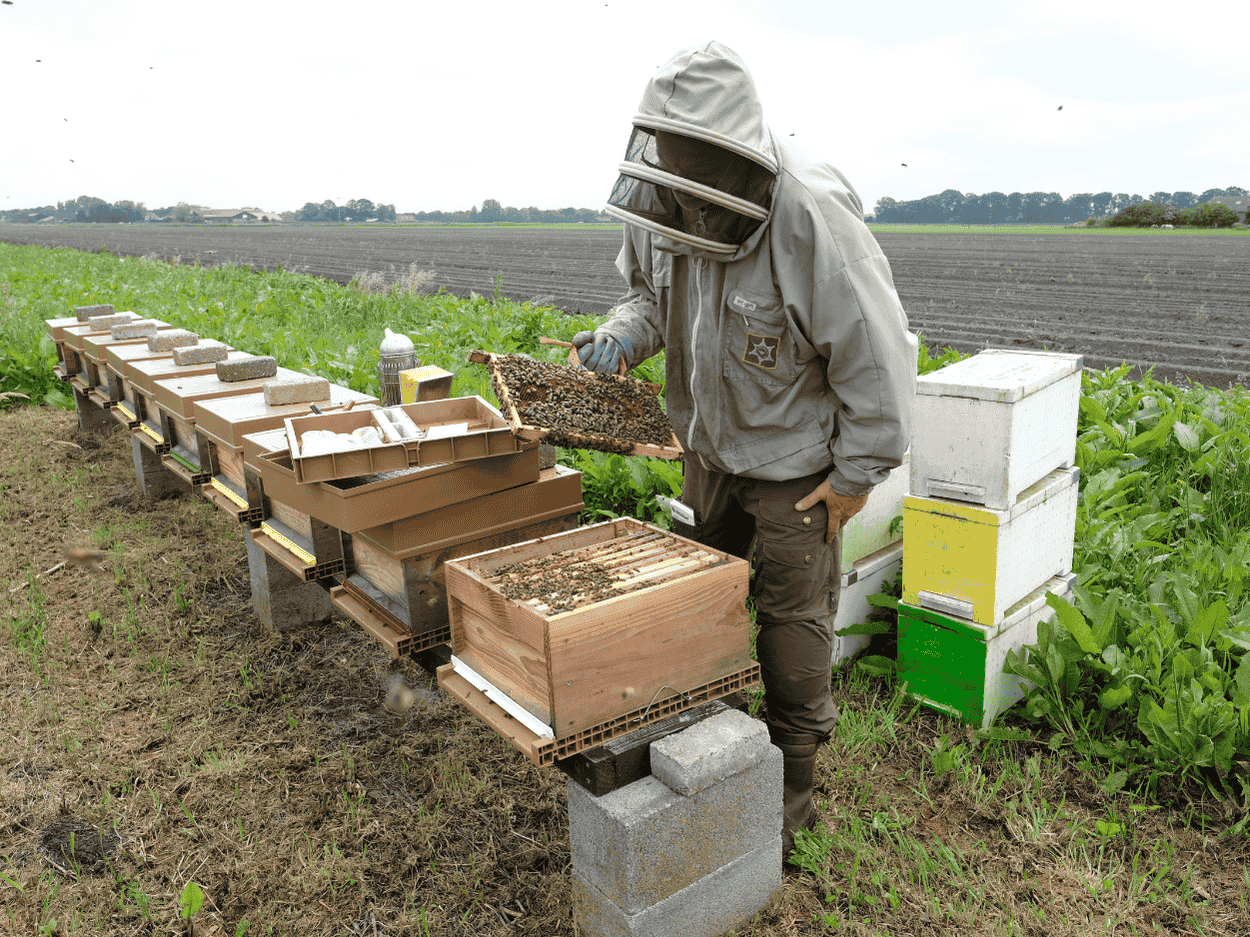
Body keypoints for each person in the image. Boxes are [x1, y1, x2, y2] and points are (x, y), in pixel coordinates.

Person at [572, 40, 915, 857]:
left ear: (734, 156)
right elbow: (649, 296)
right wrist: (622, 336)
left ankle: (790, 792)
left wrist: (855, 477)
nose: (690, 207)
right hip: (706, 447)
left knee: (792, 621)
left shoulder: (811, 220)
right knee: (699, 598)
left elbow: (877, 355)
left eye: (701, 179)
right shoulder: (667, 201)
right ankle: (704, 747)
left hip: (797, 463)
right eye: (676, 172)